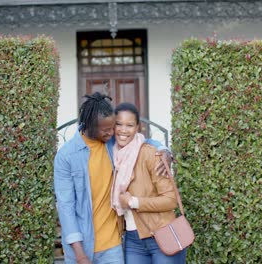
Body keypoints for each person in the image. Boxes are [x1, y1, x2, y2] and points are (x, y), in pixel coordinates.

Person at [54, 93, 171, 264]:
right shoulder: (66, 156)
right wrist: (80, 255)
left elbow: (142, 141)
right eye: (105, 129)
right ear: (89, 126)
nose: (112, 132)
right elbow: (66, 208)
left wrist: (165, 150)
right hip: (81, 248)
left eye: (112, 127)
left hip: (113, 247)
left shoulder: (111, 144)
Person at [111, 102, 187, 264]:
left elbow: (170, 200)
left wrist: (133, 202)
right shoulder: (114, 156)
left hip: (161, 234)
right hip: (132, 240)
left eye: (129, 125)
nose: (123, 130)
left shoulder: (151, 154)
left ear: (137, 127)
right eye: (119, 124)